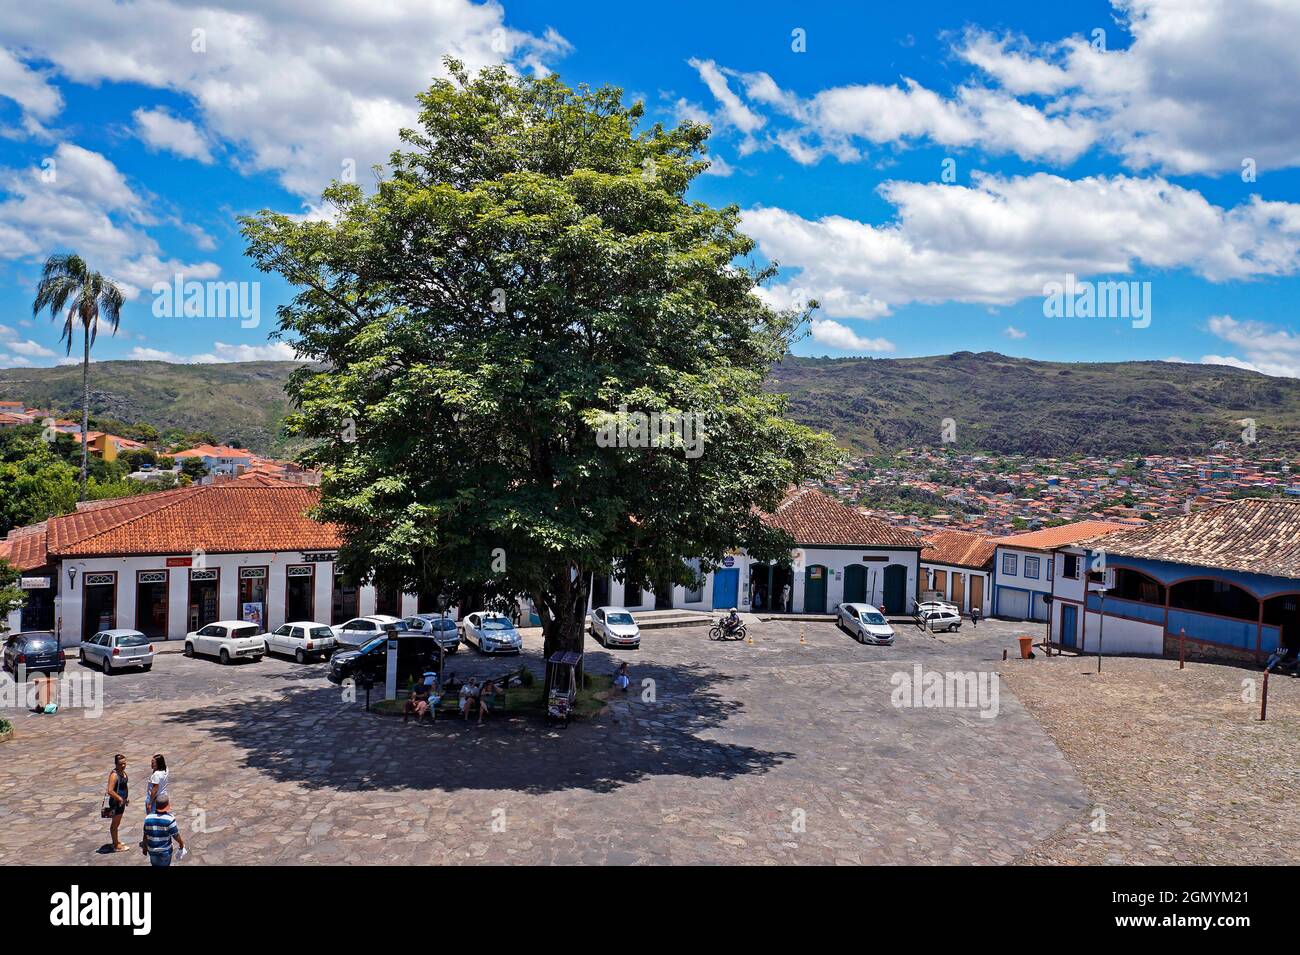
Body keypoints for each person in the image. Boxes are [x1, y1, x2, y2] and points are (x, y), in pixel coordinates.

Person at [141, 797, 185, 867]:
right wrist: (181, 843)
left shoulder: (148, 818)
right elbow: (175, 835)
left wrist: (144, 847)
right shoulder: (170, 819)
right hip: (165, 851)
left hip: (152, 851)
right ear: (167, 806)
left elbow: (145, 834)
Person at [105, 754, 130, 851]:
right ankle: (116, 845)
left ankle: (116, 841)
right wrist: (120, 799)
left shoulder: (123, 772)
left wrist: (125, 798)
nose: (123, 765)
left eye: (124, 763)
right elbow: (110, 790)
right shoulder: (114, 775)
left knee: (117, 823)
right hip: (116, 803)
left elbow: (124, 786)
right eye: (120, 764)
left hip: (121, 802)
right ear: (116, 764)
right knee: (115, 824)